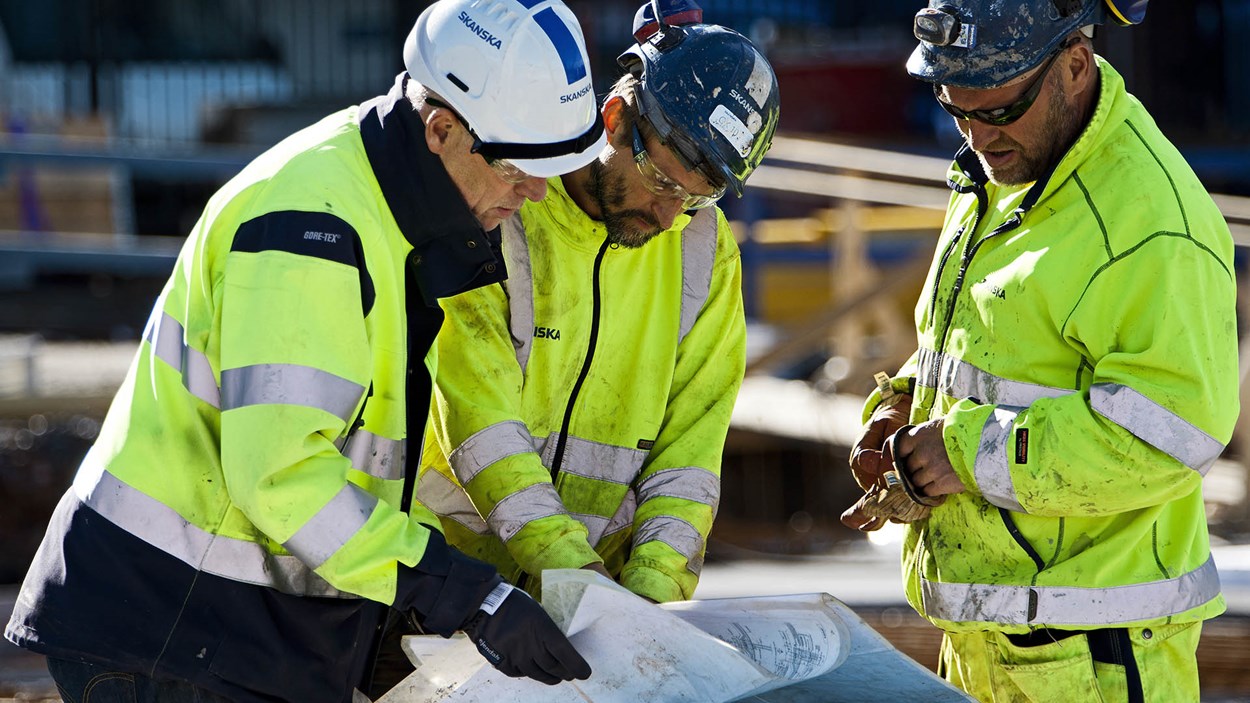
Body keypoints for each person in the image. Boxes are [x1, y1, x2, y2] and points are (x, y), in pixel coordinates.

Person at [4, 1, 608, 701]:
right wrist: (455, 589)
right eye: (518, 169)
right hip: (169, 627)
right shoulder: (312, 226)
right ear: (442, 130)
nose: (534, 192)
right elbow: (282, 473)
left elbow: (350, 460)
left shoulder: (385, 210)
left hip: (219, 628)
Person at [842, 1, 1237, 701]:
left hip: (1098, 662)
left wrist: (962, 451)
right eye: (954, 108)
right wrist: (906, 403)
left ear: (1075, 65)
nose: (974, 135)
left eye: (996, 110)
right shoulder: (1008, 165)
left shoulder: (1148, 223)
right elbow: (996, 339)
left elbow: (1172, 433)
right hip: (992, 648)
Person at [415, 0, 780, 605]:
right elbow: (479, 421)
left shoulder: (702, 253)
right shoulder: (503, 206)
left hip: (599, 596)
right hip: (444, 585)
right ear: (615, 119)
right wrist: (579, 582)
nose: (669, 218)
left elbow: (690, 451)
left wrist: (651, 598)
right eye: (663, 183)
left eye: (696, 199)